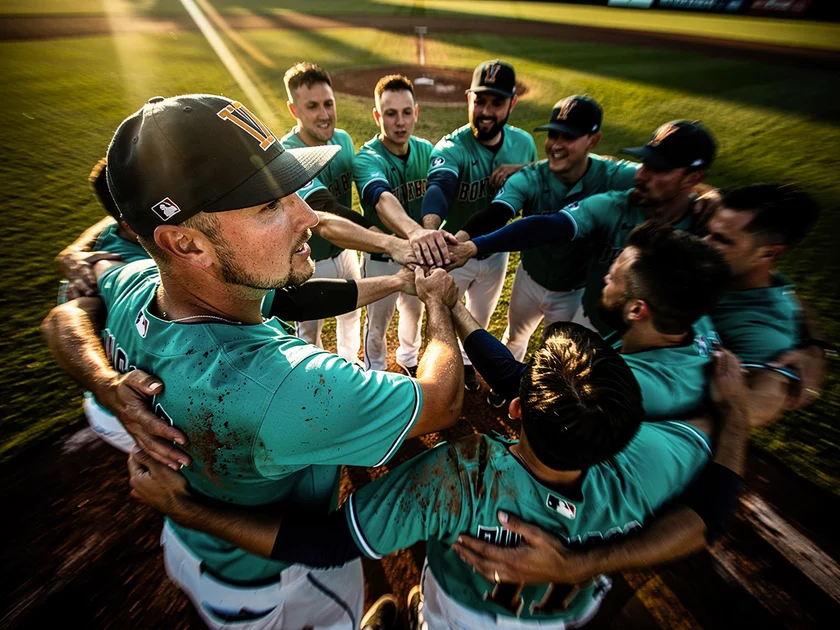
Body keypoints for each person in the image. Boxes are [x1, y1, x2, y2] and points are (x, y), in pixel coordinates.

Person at [41, 93, 465, 629]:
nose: (308, 214)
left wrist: (102, 381)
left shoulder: (141, 283)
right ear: (186, 243)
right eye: (269, 205)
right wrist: (437, 306)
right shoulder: (284, 385)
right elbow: (442, 401)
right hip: (282, 581)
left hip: (196, 547)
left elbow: (64, 316)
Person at [127, 321, 734, 628]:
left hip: (461, 618)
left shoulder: (461, 474)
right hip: (561, 616)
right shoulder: (650, 460)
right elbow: (712, 508)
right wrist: (737, 413)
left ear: (516, 410)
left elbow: (330, 540)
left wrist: (190, 510)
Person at [449, 120, 716, 337]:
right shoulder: (613, 204)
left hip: (646, 342)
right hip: (591, 321)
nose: (642, 175)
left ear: (693, 178)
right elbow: (549, 226)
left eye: (658, 169)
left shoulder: (708, 227)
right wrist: (473, 246)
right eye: (645, 163)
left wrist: (712, 196)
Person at [457, 95, 639, 407]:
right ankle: (507, 389)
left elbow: (657, 177)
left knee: (557, 352)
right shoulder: (531, 177)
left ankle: (545, 403)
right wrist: (461, 240)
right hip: (529, 279)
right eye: (552, 134)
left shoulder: (613, 175)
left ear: (593, 140)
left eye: (568, 137)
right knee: (515, 336)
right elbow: (499, 212)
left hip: (574, 291)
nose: (556, 144)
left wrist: (706, 197)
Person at [421, 59, 538, 390]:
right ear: (468, 100)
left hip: (495, 254)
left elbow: (534, 187)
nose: (487, 111)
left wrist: (523, 170)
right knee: (444, 315)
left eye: (496, 103)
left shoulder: (523, 144)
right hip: (455, 252)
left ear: (511, 104)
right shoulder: (452, 146)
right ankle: (443, 373)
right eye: (480, 101)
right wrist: (431, 227)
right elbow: (439, 189)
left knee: (480, 316)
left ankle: (470, 364)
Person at [705, 183, 828, 425]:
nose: (703, 241)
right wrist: (707, 194)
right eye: (709, 231)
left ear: (769, 253)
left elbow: (762, 403)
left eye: (721, 240)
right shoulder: (723, 267)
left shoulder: (760, 326)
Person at [280, 62, 363, 362]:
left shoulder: (344, 140)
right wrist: (380, 236)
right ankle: (315, 386)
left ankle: (351, 365)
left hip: (346, 250)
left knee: (351, 316)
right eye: (312, 106)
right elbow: (327, 208)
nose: (324, 114)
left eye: (328, 103)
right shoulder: (288, 153)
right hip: (309, 257)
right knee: (309, 333)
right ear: (294, 110)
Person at [354, 74, 435, 374]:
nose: (399, 122)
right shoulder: (367, 157)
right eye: (390, 113)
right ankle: (374, 371)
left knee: (414, 313)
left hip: (418, 256)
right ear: (377, 116)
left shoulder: (427, 151)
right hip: (381, 257)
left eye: (405, 112)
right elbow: (381, 198)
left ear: (416, 113)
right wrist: (415, 233)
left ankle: (409, 360)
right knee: (378, 321)